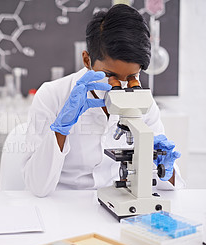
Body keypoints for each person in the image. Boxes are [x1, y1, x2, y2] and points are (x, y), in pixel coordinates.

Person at [22, 4, 184, 197]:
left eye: (132, 77)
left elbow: (168, 186)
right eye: (111, 75)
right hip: (64, 206)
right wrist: (60, 130)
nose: (123, 86)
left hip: (119, 200)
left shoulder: (144, 104)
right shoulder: (52, 96)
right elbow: (37, 187)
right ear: (87, 60)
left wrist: (165, 164)